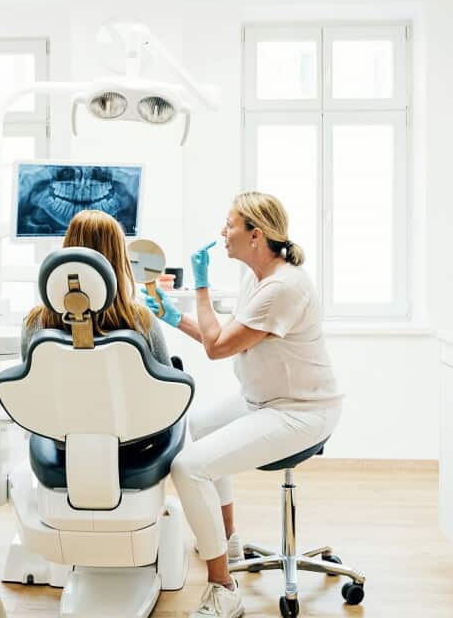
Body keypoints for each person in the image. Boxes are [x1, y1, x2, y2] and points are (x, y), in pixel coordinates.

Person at [143, 192, 343, 618]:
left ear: (256, 235)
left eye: (229, 224)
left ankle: (223, 588)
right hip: (264, 400)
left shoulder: (283, 287)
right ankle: (227, 538)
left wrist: (199, 286)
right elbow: (230, 337)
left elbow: (217, 348)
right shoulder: (258, 277)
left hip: (300, 412)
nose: (222, 232)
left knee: (187, 466)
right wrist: (175, 319)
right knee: (200, 426)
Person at [20, 209, 171, 365]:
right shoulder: (142, 321)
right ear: (119, 260)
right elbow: (168, 385)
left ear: (68, 247)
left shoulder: (34, 323)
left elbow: (29, 385)